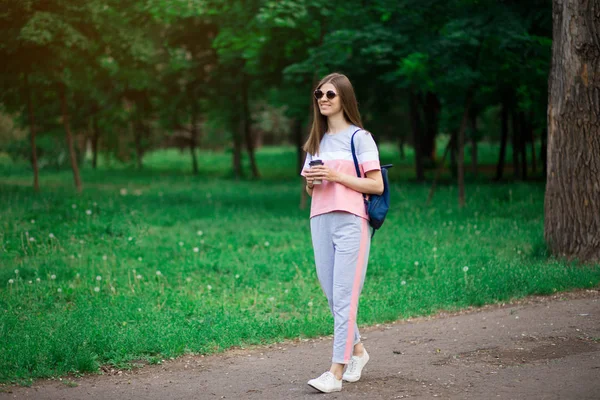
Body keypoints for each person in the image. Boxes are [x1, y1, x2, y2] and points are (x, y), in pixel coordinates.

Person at [301, 72, 384, 393]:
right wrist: (312, 182)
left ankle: (334, 373)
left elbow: (375, 184)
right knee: (333, 295)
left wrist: (335, 175)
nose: (323, 99)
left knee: (345, 297)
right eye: (319, 94)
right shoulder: (315, 142)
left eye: (330, 95)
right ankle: (359, 352)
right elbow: (311, 189)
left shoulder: (359, 138)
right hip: (320, 219)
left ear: (344, 99)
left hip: (352, 221)